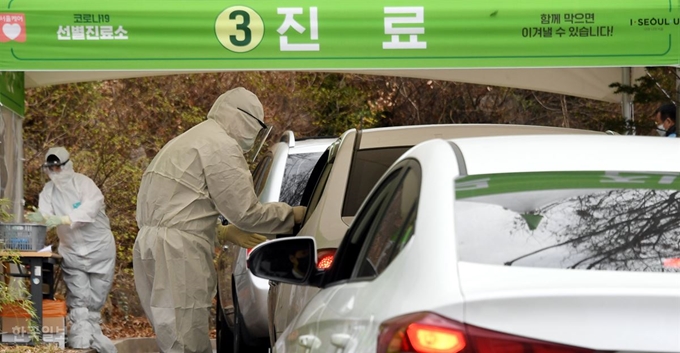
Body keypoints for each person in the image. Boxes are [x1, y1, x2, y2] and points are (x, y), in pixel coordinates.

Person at [133, 87, 306, 353]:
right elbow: (246, 212)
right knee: (186, 336)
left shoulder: (189, 139)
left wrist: (222, 232)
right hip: (178, 252)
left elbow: (179, 209)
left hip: (150, 245)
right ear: (244, 120)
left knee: (171, 331)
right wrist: (290, 215)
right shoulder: (221, 146)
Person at [26, 147, 117, 353]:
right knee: (78, 297)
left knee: (96, 297)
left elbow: (91, 207)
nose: (55, 171)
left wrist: (66, 219)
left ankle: (93, 337)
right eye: (51, 168)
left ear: (68, 165)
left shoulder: (84, 184)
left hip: (99, 250)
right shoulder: (49, 191)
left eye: (58, 166)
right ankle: (81, 341)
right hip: (72, 251)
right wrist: (43, 218)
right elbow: (45, 214)